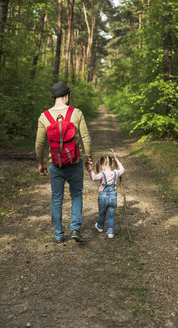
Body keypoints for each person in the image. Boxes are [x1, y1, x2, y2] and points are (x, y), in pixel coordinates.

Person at [35, 81, 93, 244]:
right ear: (66, 96)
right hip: (74, 163)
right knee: (76, 195)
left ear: (54, 97)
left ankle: (59, 235)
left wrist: (41, 163)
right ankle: (75, 228)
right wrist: (89, 159)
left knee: (56, 199)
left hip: (55, 165)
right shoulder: (76, 113)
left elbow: (39, 143)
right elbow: (86, 138)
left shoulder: (44, 117)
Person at [87, 154, 125, 238]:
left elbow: (94, 178)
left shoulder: (102, 174)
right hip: (113, 197)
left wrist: (91, 170)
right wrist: (117, 161)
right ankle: (111, 232)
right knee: (111, 215)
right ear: (112, 164)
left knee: (102, 213)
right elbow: (122, 169)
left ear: (101, 165)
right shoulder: (116, 172)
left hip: (102, 197)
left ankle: (100, 227)